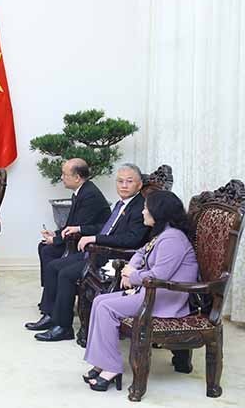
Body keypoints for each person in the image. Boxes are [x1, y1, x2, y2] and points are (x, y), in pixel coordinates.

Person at [82, 190, 199, 391]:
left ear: (158, 212)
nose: (143, 212)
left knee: (106, 307)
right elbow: (140, 252)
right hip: (151, 292)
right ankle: (102, 362)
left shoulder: (173, 239)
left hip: (165, 297)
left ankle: (111, 368)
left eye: (146, 208)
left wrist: (132, 276)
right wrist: (130, 270)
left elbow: (159, 275)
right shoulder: (162, 234)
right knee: (100, 301)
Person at [27, 164, 150, 341]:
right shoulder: (121, 204)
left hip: (114, 259)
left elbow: (132, 240)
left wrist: (95, 239)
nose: (124, 185)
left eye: (129, 181)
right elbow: (107, 229)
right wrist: (93, 237)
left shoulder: (139, 208)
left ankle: (63, 327)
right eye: (120, 181)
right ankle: (51, 316)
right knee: (54, 266)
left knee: (66, 273)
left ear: (139, 185)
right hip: (99, 252)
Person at [36, 158, 111, 308]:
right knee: (44, 247)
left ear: (77, 177)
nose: (62, 177)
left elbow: (80, 227)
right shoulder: (80, 191)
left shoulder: (90, 195)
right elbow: (72, 224)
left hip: (89, 242)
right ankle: (51, 295)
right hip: (79, 236)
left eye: (64, 174)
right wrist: (55, 234)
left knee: (49, 250)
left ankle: (51, 301)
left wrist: (56, 240)